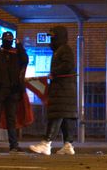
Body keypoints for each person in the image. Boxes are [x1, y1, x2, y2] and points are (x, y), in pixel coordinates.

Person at [30, 26, 77, 155]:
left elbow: (68, 65)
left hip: (62, 90)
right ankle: (68, 144)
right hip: (65, 90)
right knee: (66, 116)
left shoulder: (64, 50)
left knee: (56, 115)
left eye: (53, 36)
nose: (51, 39)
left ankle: (46, 143)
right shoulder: (60, 50)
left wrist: (53, 73)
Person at [0, 31, 28, 153]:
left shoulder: (16, 53)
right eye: (7, 38)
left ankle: (13, 145)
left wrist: (19, 45)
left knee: (10, 119)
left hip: (12, 90)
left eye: (10, 38)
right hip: (0, 89)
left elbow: (25, 59)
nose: (8, 40)